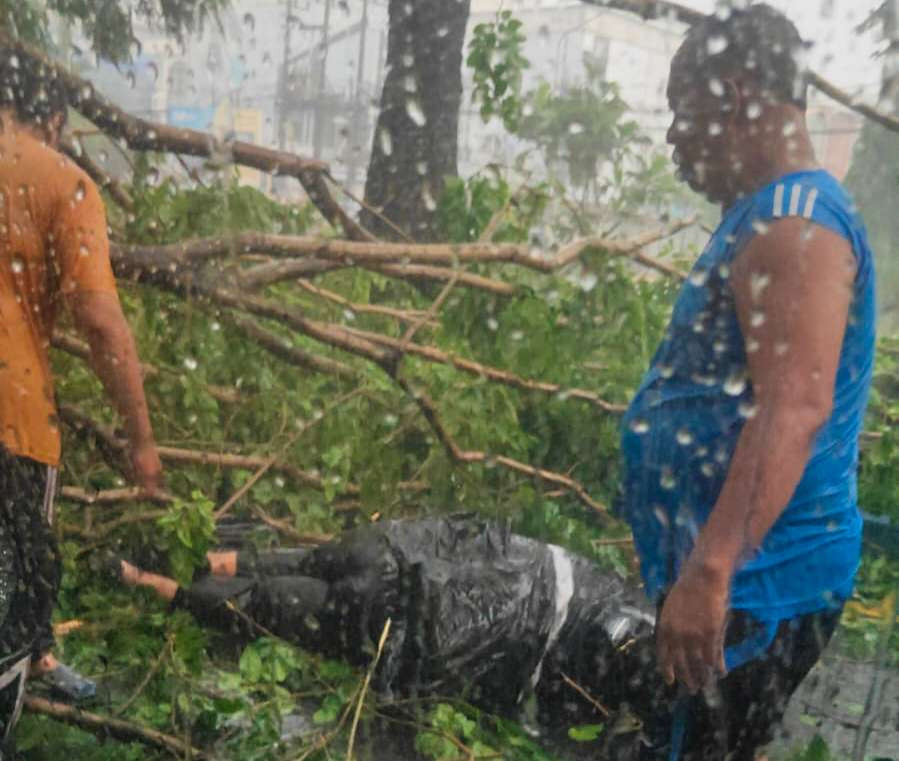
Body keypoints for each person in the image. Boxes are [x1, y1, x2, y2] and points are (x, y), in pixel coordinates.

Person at [618, 5, 876, 760]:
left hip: (760, 584)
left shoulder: (796, 221)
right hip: (742, 580)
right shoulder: (764, 213)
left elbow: (792, 408)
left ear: (731, 97)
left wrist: (710, 570)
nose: (672, 136)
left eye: (680, 112)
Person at [113, 515, 669, 754]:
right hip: (424, 623)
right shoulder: (630, 673)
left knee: (313, 566)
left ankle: (175, 565)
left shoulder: (634, 607)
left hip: (423, 554)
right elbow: (612, 656)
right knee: (282, 602)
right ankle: (155, 582)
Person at [0, 44, 162, 720]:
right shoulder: (62, 182)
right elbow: (99, 322)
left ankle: (38, 651)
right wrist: (141, 438)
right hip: (13, 426)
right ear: (57, 120)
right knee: (10, 595)